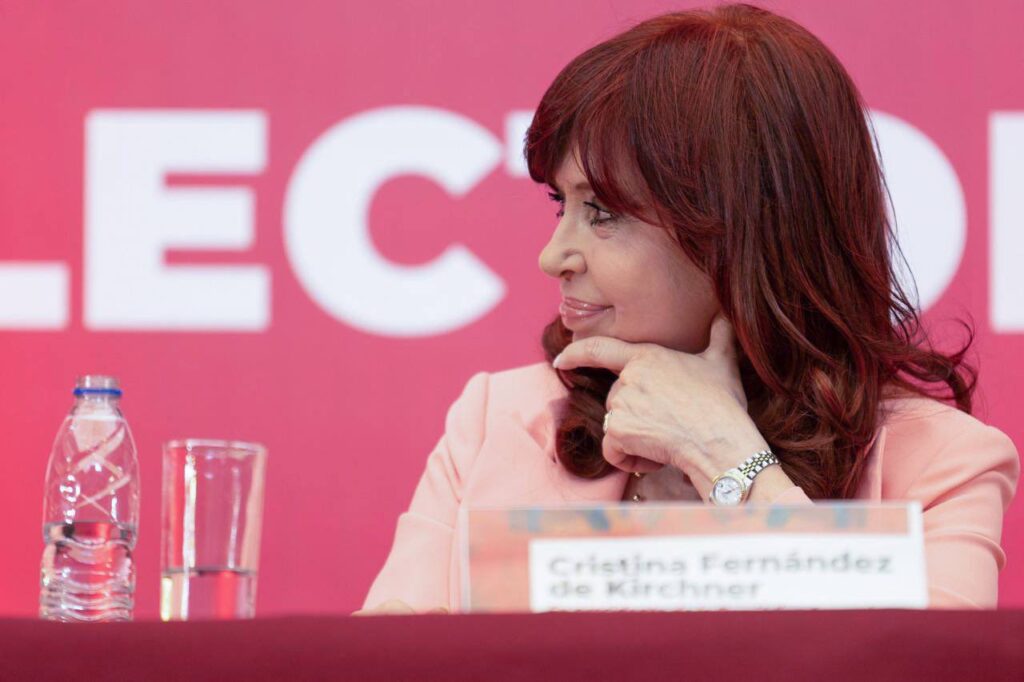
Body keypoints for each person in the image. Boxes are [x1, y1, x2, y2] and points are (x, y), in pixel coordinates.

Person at [355, 3, 1019, 614]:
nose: (552, 256)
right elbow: (386, 659)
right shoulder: (496, 421)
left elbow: (913, 666)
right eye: (563, 205)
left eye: (604, 213)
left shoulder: (944, 465)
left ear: (746, 230)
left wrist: (728, 456)